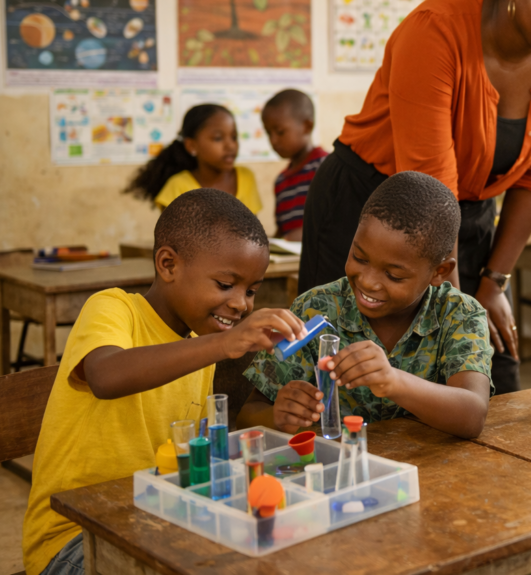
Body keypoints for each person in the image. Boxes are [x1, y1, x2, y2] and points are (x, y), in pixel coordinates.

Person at [299, 0, 531, 394]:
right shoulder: (434, 30)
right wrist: (458, 316)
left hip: (467, 216)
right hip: (371, 212)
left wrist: (493, 284)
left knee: (488, 382)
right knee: (349, 379)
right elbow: (430, 182)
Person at [22, 189, 306, 575]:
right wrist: (223, 343)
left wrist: (277, 416)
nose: (242, 304)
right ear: (168, 264)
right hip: (75, 536)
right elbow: (106, 376)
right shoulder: (113, 308)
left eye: (251, 291)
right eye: (226, 284)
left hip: (155, 522)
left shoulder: (200, 348)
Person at [238, 172, 493, 439]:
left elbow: (473, 416)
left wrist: (393, 382)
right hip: (341, 472)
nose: (369, 282)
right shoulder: (314, 309)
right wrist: (278, 416)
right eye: (359, 257)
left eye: (394, 275)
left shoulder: (459, 314)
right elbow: (248, 416)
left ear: (439, 272)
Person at [125, 103, 262, 214]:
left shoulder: (245, 177)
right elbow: (175, 241)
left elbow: (254, 234)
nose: (231, 146)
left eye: (234, 137)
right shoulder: (178, 186)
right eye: (218, 138)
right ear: (192, 145)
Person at [261, 89, 329, 242]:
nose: (273, 140)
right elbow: (283, 229)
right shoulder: (280, 181)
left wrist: (303, 234)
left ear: (307, 126)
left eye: (280, 132)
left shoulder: (326, 167)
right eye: (268, 133)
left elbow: (339, 219)